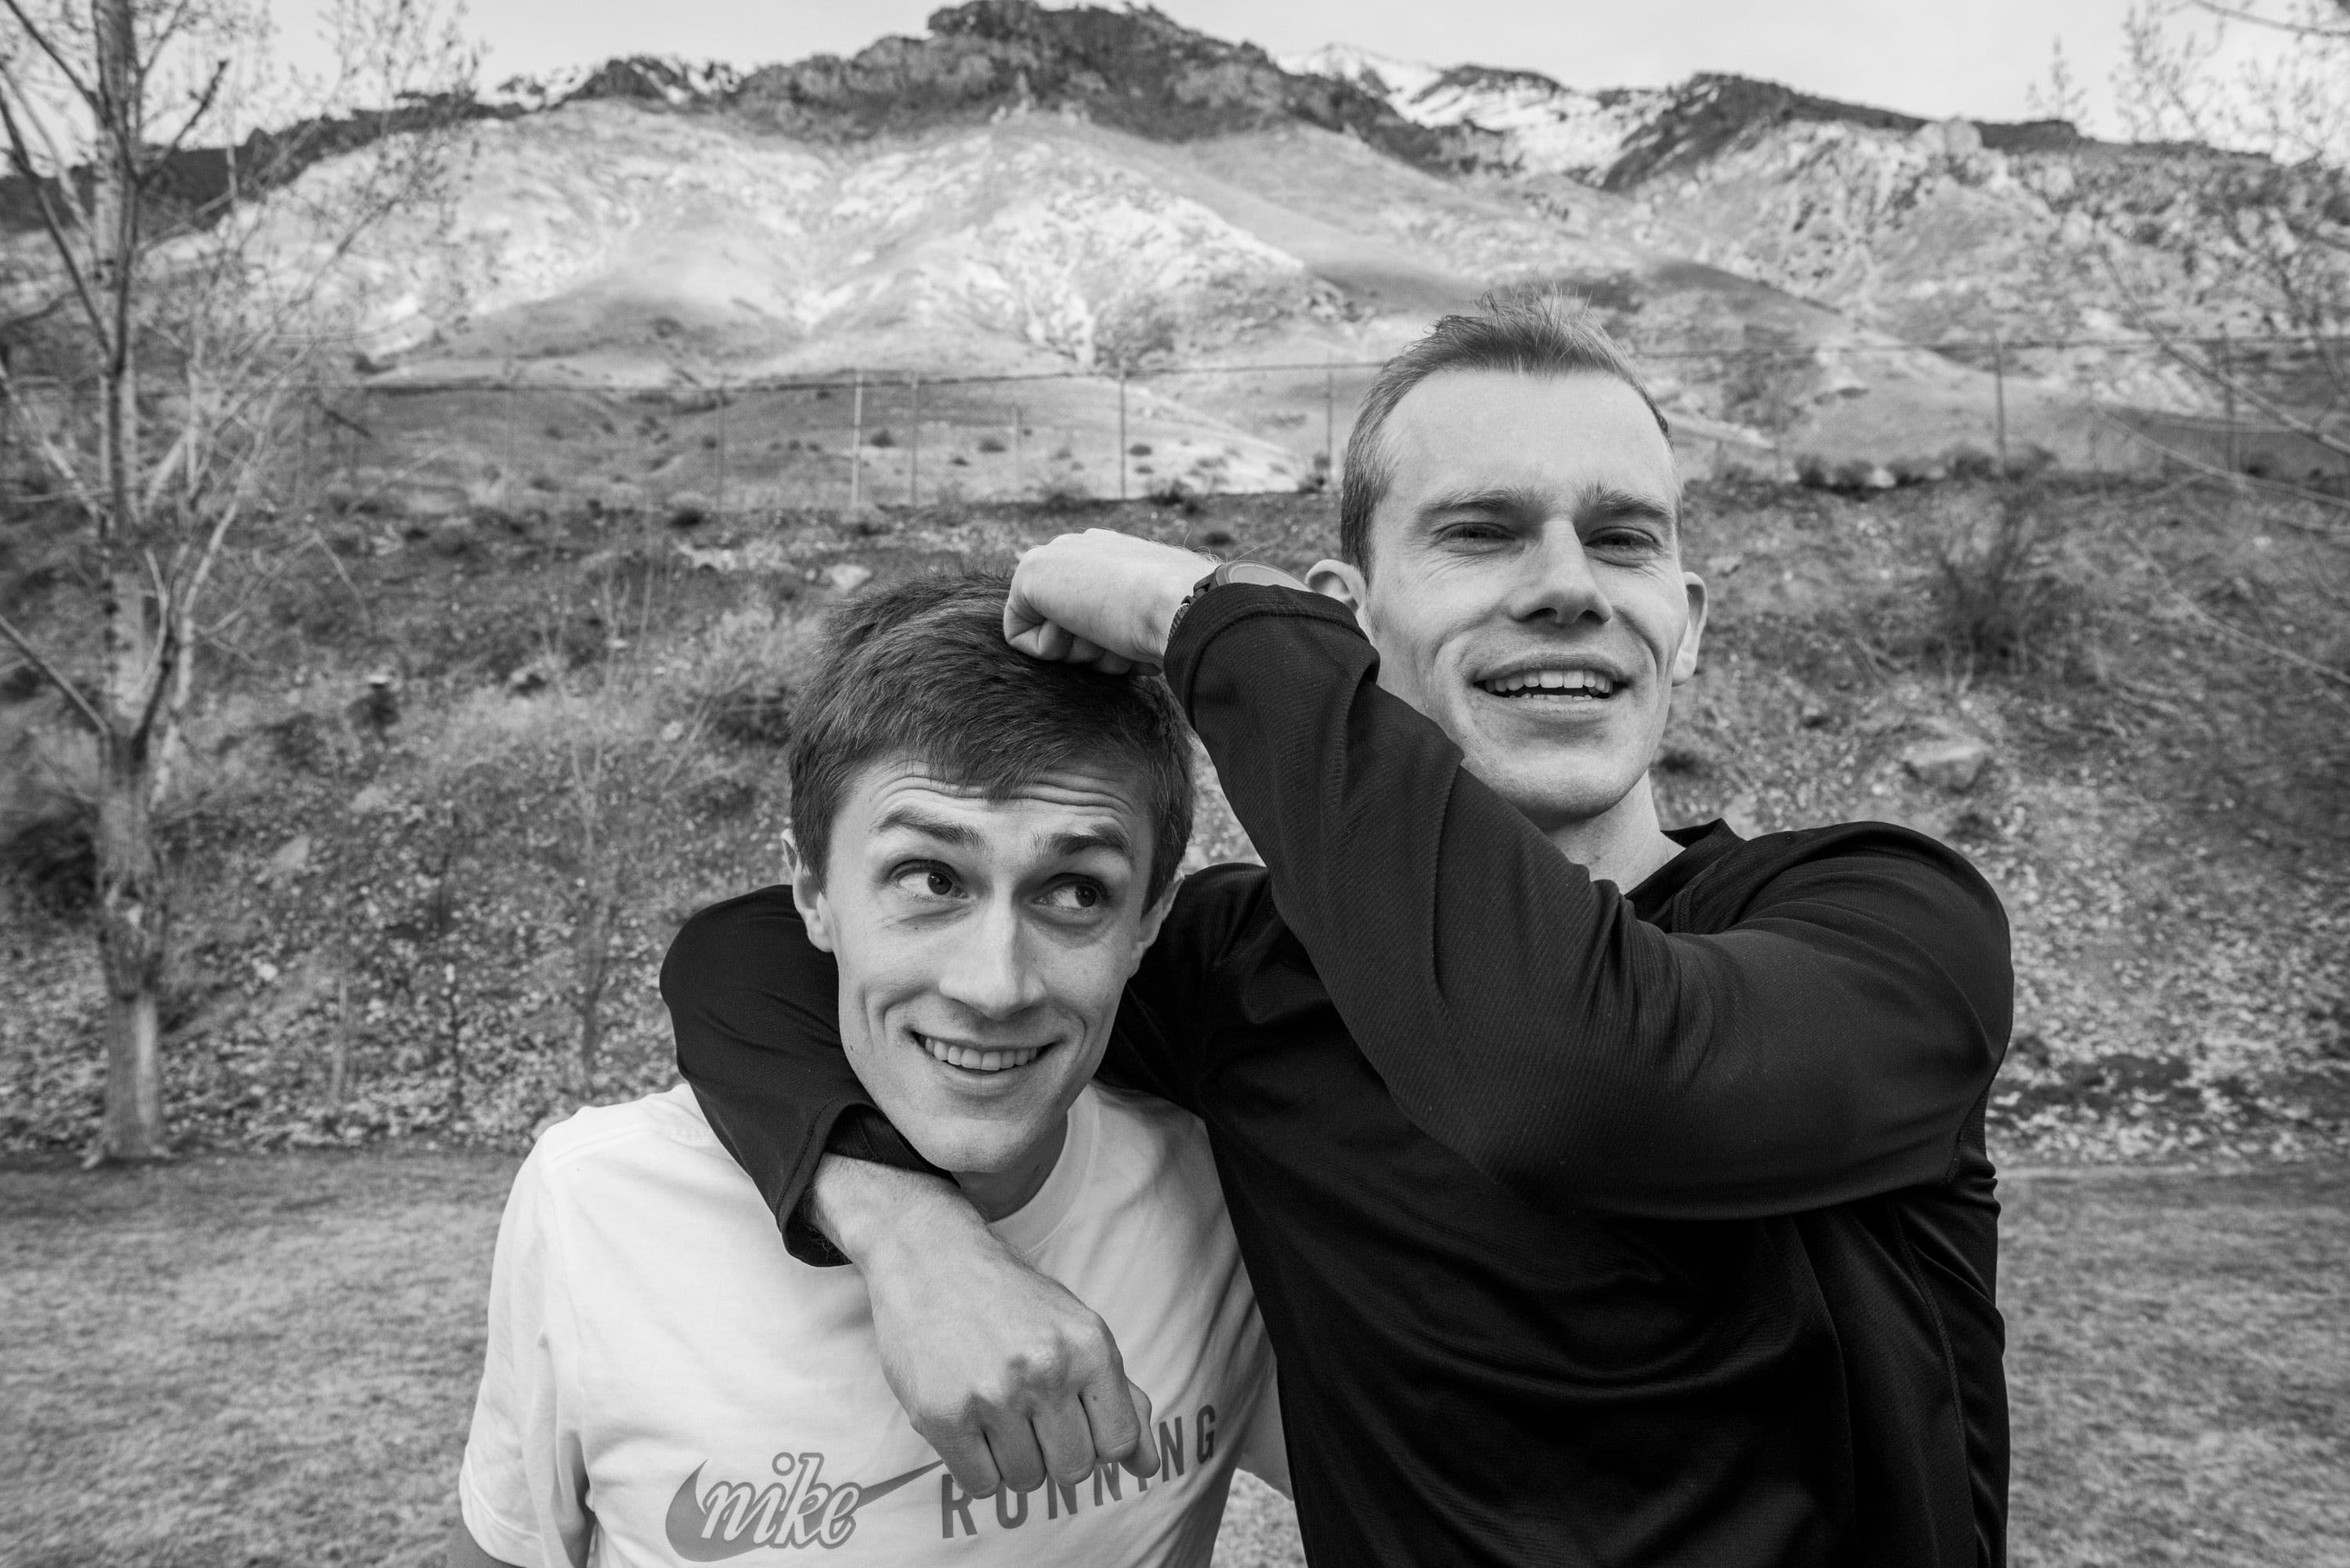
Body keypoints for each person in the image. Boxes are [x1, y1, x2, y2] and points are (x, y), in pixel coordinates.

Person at [664, 289, 2013, 1566]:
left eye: (1624, 538)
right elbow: (756, 957)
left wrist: (1203, 619)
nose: (1568, 585)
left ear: (1688, 621)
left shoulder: (1887, 925)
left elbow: (1575, 1072)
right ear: (1353, 617)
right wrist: (909, 1232)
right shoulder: (1250, 966)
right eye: (1481, 532)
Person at [450, 574, 1285, 1568]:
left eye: (1074, 890)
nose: (996, 984)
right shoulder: (597, 1201)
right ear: (810, 890)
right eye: (930, 878)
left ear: (1150, 920)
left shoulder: (1223, 1199)